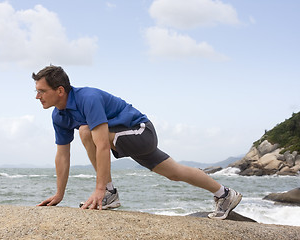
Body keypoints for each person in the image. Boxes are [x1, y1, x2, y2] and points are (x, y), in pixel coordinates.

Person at [34, 65, 242, 220]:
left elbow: (102, 145)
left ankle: (108, 192)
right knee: (175, 172)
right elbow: (62, 155)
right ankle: (225, 194)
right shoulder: (59, 116)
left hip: (141, 132)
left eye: (42, 91)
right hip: (124, 138)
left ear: (60, 90)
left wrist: (100, 190)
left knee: (86, 131)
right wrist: (59, 194)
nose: (37, 96)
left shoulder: (88, 98)